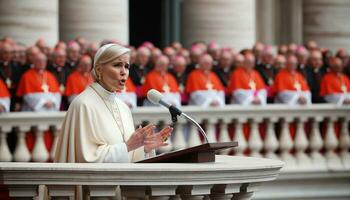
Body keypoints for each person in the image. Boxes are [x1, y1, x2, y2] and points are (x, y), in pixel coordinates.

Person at [54, 43, 172, 163]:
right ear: (99, 69)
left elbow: (127, 153)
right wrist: (128, 146)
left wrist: (144, 148)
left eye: (126, 66)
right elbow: (86, 160)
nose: (123, 72)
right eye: (117, 65)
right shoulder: (83, 105)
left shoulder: (123, 107)